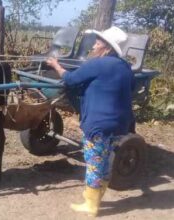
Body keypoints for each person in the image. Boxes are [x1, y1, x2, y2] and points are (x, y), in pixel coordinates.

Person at [46, 26, 135, 217]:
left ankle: (91, 205)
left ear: (107, 48)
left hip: (98, 124)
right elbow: (131, 88)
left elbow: (70, 79)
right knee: (103, 160)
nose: (94, 45)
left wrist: (56, 65)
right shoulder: (125, 66)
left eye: (98, 42)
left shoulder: (98, 64)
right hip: (118, 124)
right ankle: (96, 197)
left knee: (94, 162)